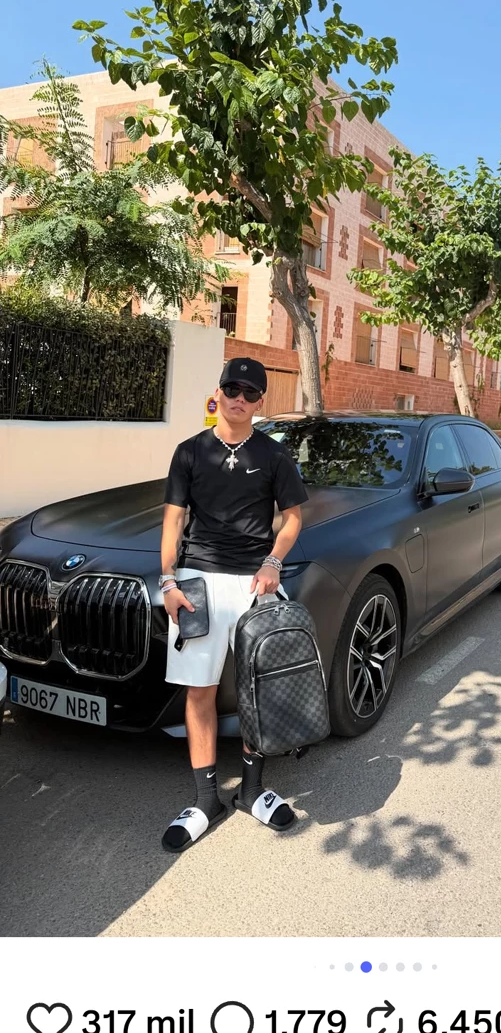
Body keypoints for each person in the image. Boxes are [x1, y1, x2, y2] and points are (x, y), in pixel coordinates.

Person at [159, 357, 308, 854]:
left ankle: (251, 790)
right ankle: (206, 801)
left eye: (250, 393)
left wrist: (272, 562)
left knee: (258, 691)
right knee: (199, 692)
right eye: (232, 389)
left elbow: (292, 518)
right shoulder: (189, 452)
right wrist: (168, 581)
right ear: (218, 391)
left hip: (253, 585)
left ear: (260, 401)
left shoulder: (274, 455)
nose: (239, 399)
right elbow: (173, 521)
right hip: (198, 583)